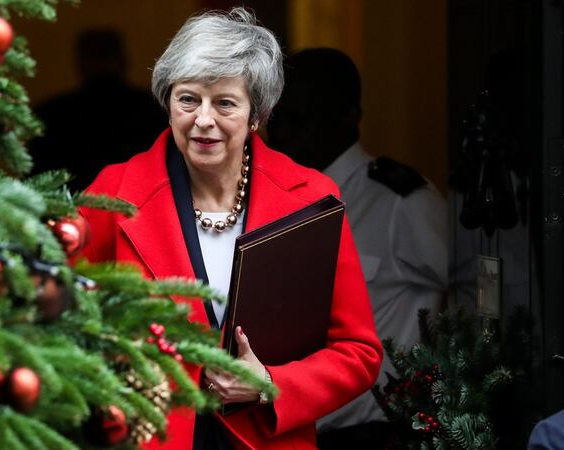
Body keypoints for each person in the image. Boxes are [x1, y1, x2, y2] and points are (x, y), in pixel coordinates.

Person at [79, 10, 382, 450]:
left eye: (224, 103)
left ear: (257, 114)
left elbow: (358, 352)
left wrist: (270, 383)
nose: (203, 119)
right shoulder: (114, 193)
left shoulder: (311, 197)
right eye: (188, 100)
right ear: (168, 102)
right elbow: (58, 319)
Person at [267, 47, 448, 449]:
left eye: (301, 120)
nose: (281, 135)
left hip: (372, 436)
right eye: (275, 120)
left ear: (349, 117)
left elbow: (474, 290)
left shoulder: (400, 203)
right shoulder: (272, 199)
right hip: (289, 433)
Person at [31, 29, 166, 191]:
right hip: (137, 206)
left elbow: (40, 184)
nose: (101, 65)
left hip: (72, 209)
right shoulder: (154, 110)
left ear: (80, 64)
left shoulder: (51, 115)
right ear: (124, 61)